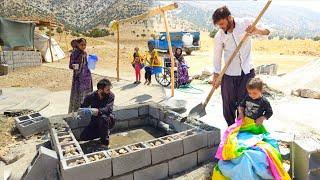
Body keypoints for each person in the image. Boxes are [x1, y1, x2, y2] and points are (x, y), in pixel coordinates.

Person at [211, 6, 270, 126]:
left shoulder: (246, 23)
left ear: (229, 17)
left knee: (246, 104)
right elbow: (217, 56)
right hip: (229, 74)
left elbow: (267, 32)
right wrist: (216, 74)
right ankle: (231, 129)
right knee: (228, 104)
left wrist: (257, 30)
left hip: (247, 72)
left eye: (222, 23)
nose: (221, 27)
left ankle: (242, 129)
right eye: (219, 25)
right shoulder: (220, 35)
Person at [80, 79, 115, 148]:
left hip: (108, 119)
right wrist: (81, 110)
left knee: (103, 118)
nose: (109, 91)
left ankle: (105, 142)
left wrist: (98, 111)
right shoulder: (91, 96)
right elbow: (83, 106)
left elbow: (108, 109)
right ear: (100, 90)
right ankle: (103, 133)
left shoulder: (111, 95)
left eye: (109, 89)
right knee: (83, 137)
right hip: (95, 120)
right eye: (107, 90)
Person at [68, 38, 93, 113]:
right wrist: (77, 65)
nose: (83, 46)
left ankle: (86, 111)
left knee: (87, 95)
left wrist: (91, 61)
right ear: (77, 45)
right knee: (78, 95)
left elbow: (86, 64)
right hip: (78, 79)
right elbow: (70, 66)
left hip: (87, 78)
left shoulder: (84, 53)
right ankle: (77, 111)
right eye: (82, 45)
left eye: (85, 45)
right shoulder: (74, 53)